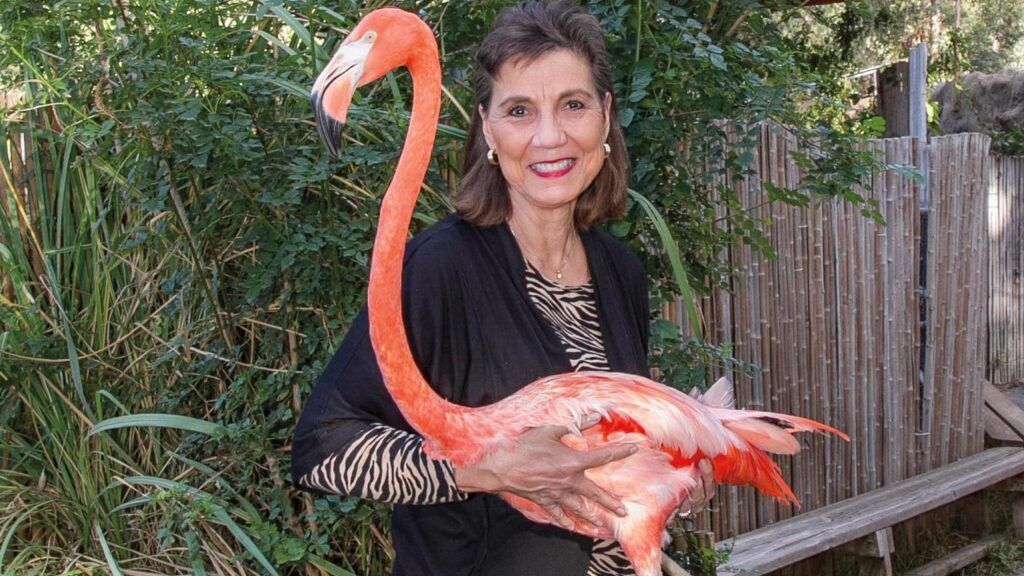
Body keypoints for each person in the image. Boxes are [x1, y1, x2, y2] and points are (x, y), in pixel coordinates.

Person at [292, 2, 712, 575]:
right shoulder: (441, 269)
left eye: (573, 104)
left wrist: (674, 474)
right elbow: (323, 448)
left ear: (605, 116)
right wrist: (487, 469)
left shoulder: (621, 272)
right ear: (487, 127)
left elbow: (610, 455)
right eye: (519, 110)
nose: (550, 135)